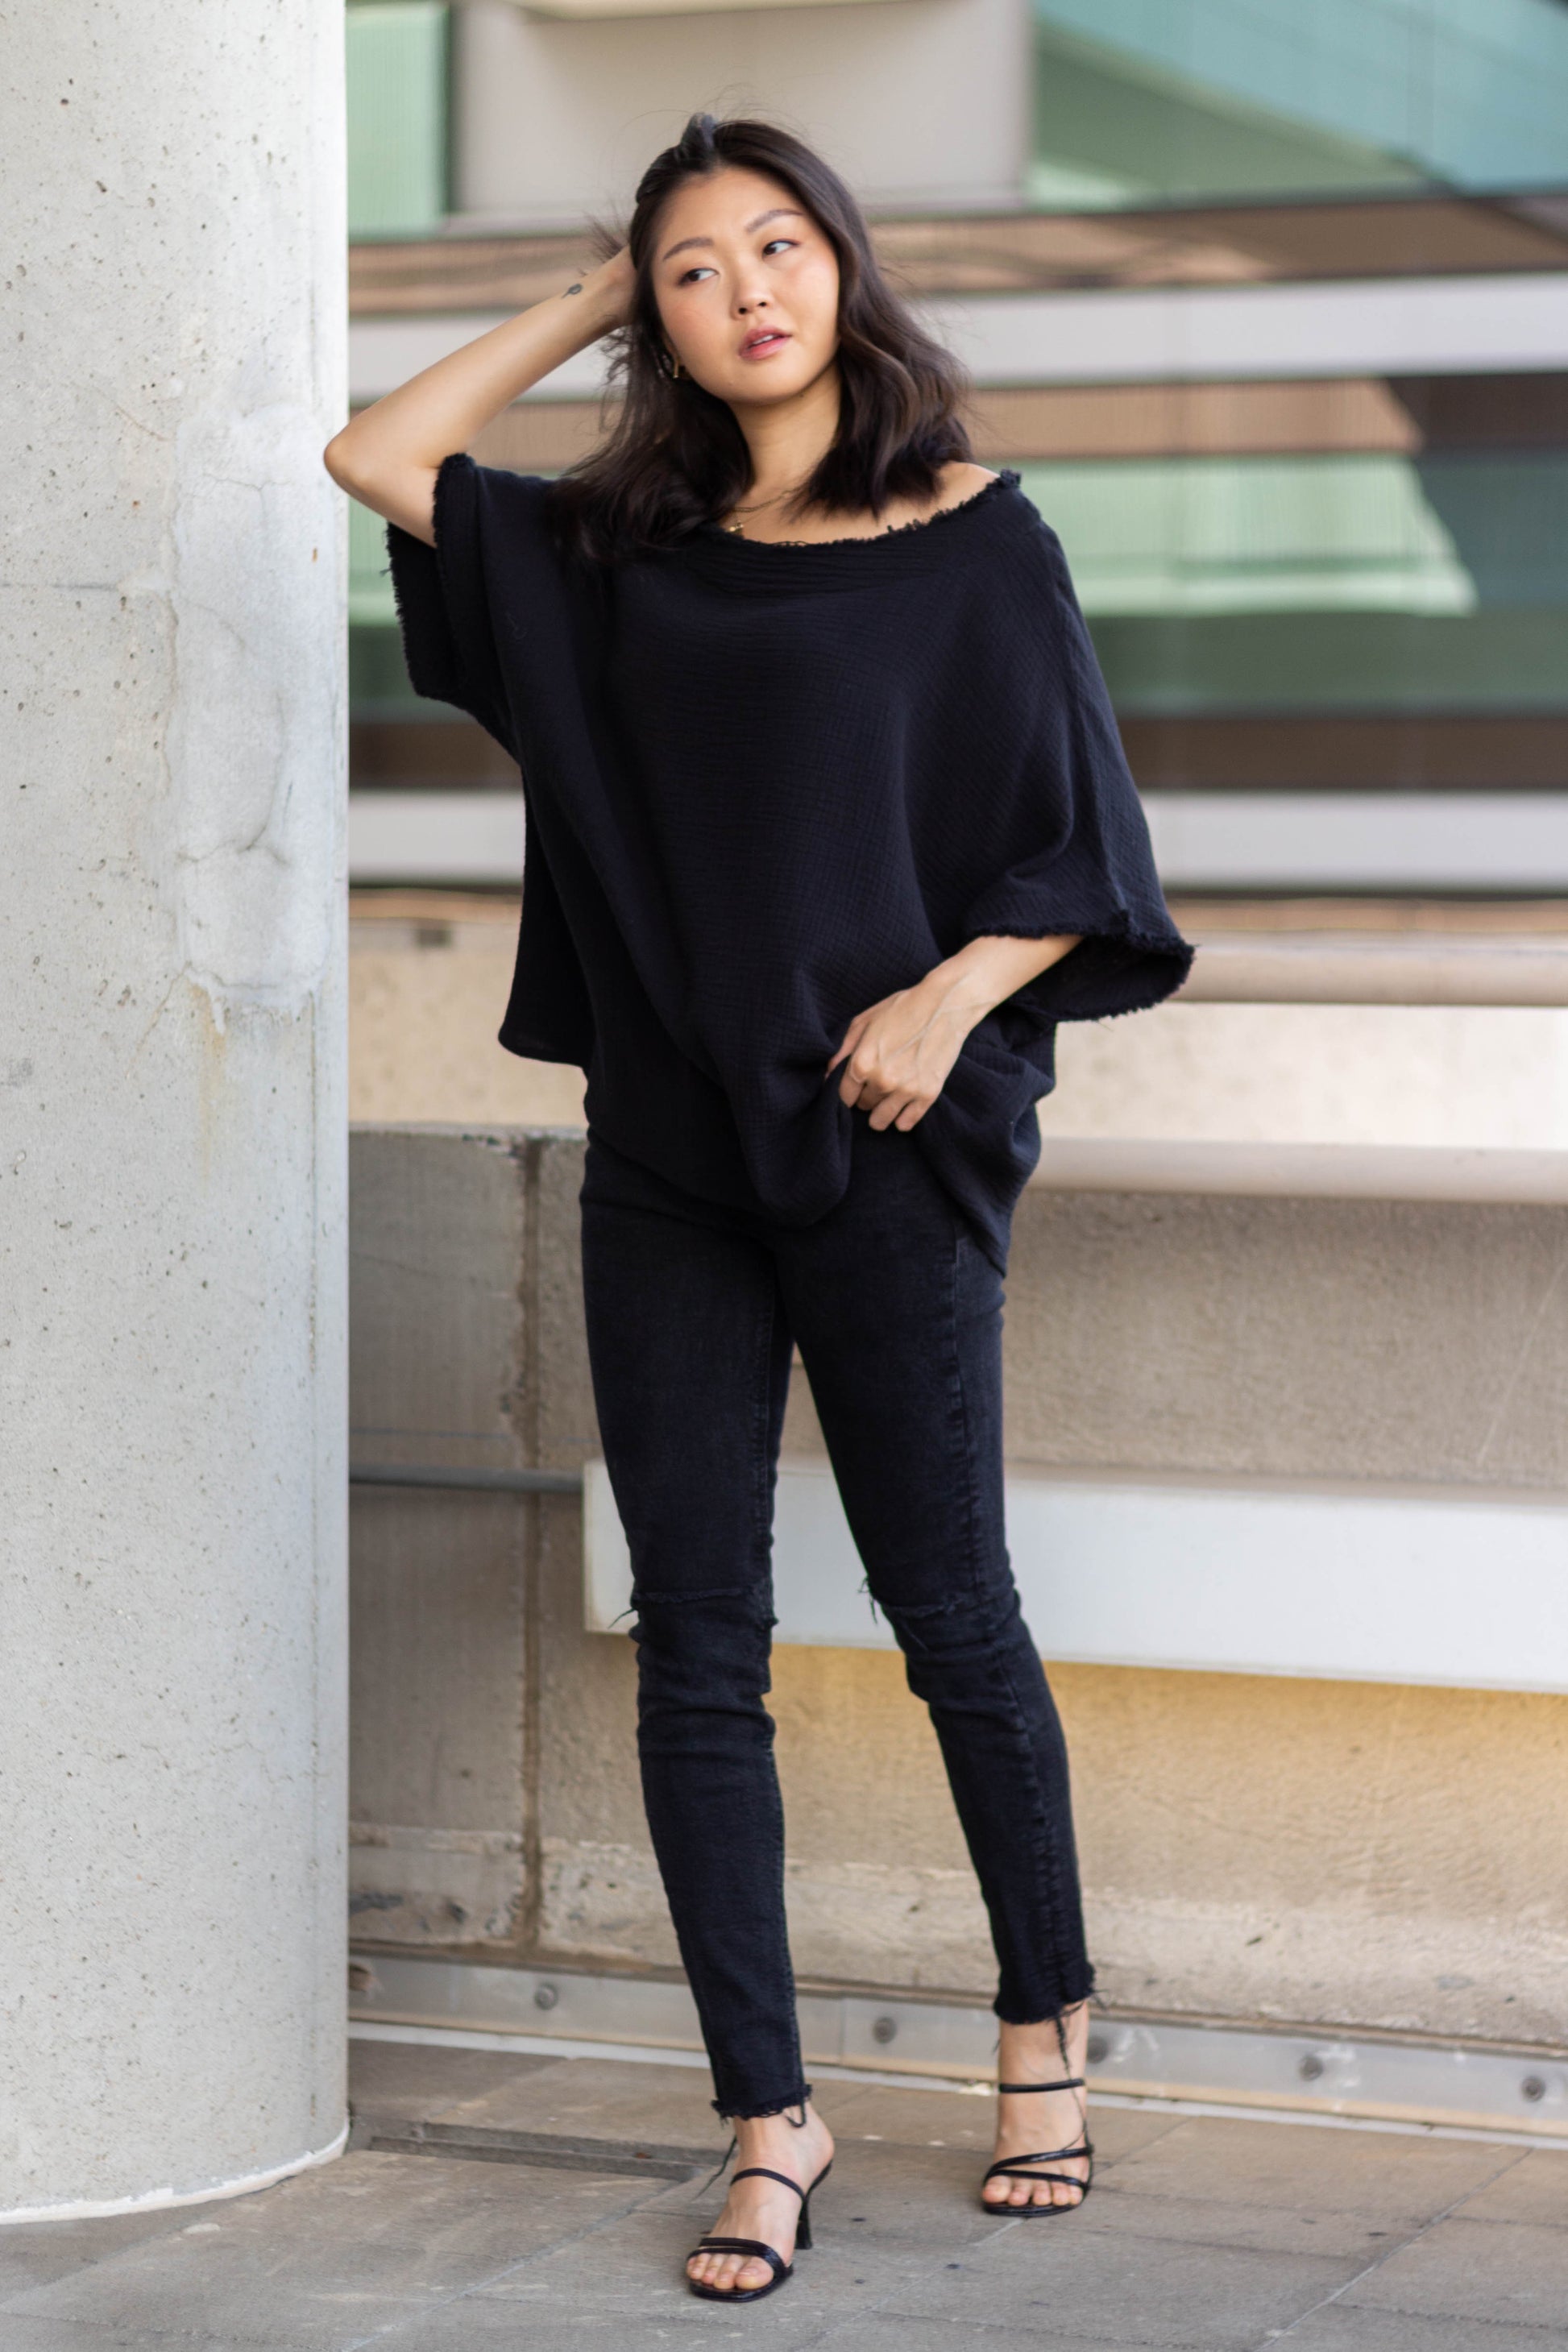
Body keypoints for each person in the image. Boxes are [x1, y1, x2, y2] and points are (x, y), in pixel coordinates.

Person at [326, 110, 1193, 2307]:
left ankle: (1039, 2034)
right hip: (671, 1161)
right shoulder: (615, 558)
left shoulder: (978, 536)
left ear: (846, 265)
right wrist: (582, 292)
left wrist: (945, 989)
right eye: (695, 269)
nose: (746, 289)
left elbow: (1081, 849)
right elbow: (373, 451)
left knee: (949, 1621)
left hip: (897, 1145)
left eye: (776, 245)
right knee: (695, 1643)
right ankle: (766, 2116)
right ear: (663, 318)